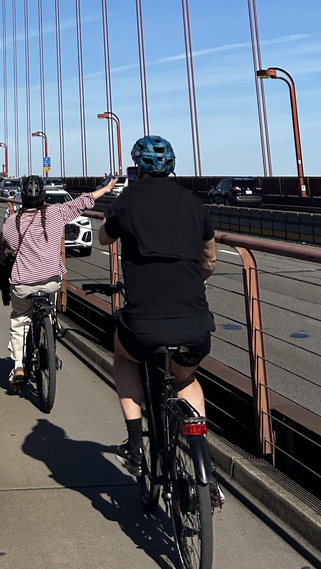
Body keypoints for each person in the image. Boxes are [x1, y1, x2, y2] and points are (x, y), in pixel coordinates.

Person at [97, 135, 217, 475]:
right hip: (194, 322)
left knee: (123, 357)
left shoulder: (129, 200)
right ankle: (200, 459)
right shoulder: (194, 204)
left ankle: (135, 445)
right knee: (185, 380)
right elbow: (209, 261)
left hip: (144, 325)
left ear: (137, 168)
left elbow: (104, 237)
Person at [0, 174, 117, 387]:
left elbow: (0, 251)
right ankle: (50, 321)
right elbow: (81, 202)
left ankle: (19, 366)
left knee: (19, 318)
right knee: (51, 297)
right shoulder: (56, 212)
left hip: (23, 284)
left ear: (22, 196)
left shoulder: (12, 222)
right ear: (43, 197)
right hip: (51, 280)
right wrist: (104, 189)